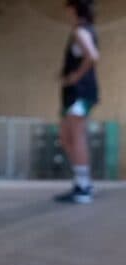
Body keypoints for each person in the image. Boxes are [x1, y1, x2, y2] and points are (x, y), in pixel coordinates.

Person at [55, 0, 99, 204]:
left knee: (77, 135)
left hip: (80, 93)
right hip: (72, 94)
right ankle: (83, 181)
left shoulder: (81, 31)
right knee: (65, 137)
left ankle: (83, 189)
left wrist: (75, 76)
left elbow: (92, 56)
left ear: (74, 9)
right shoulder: (81, 30)